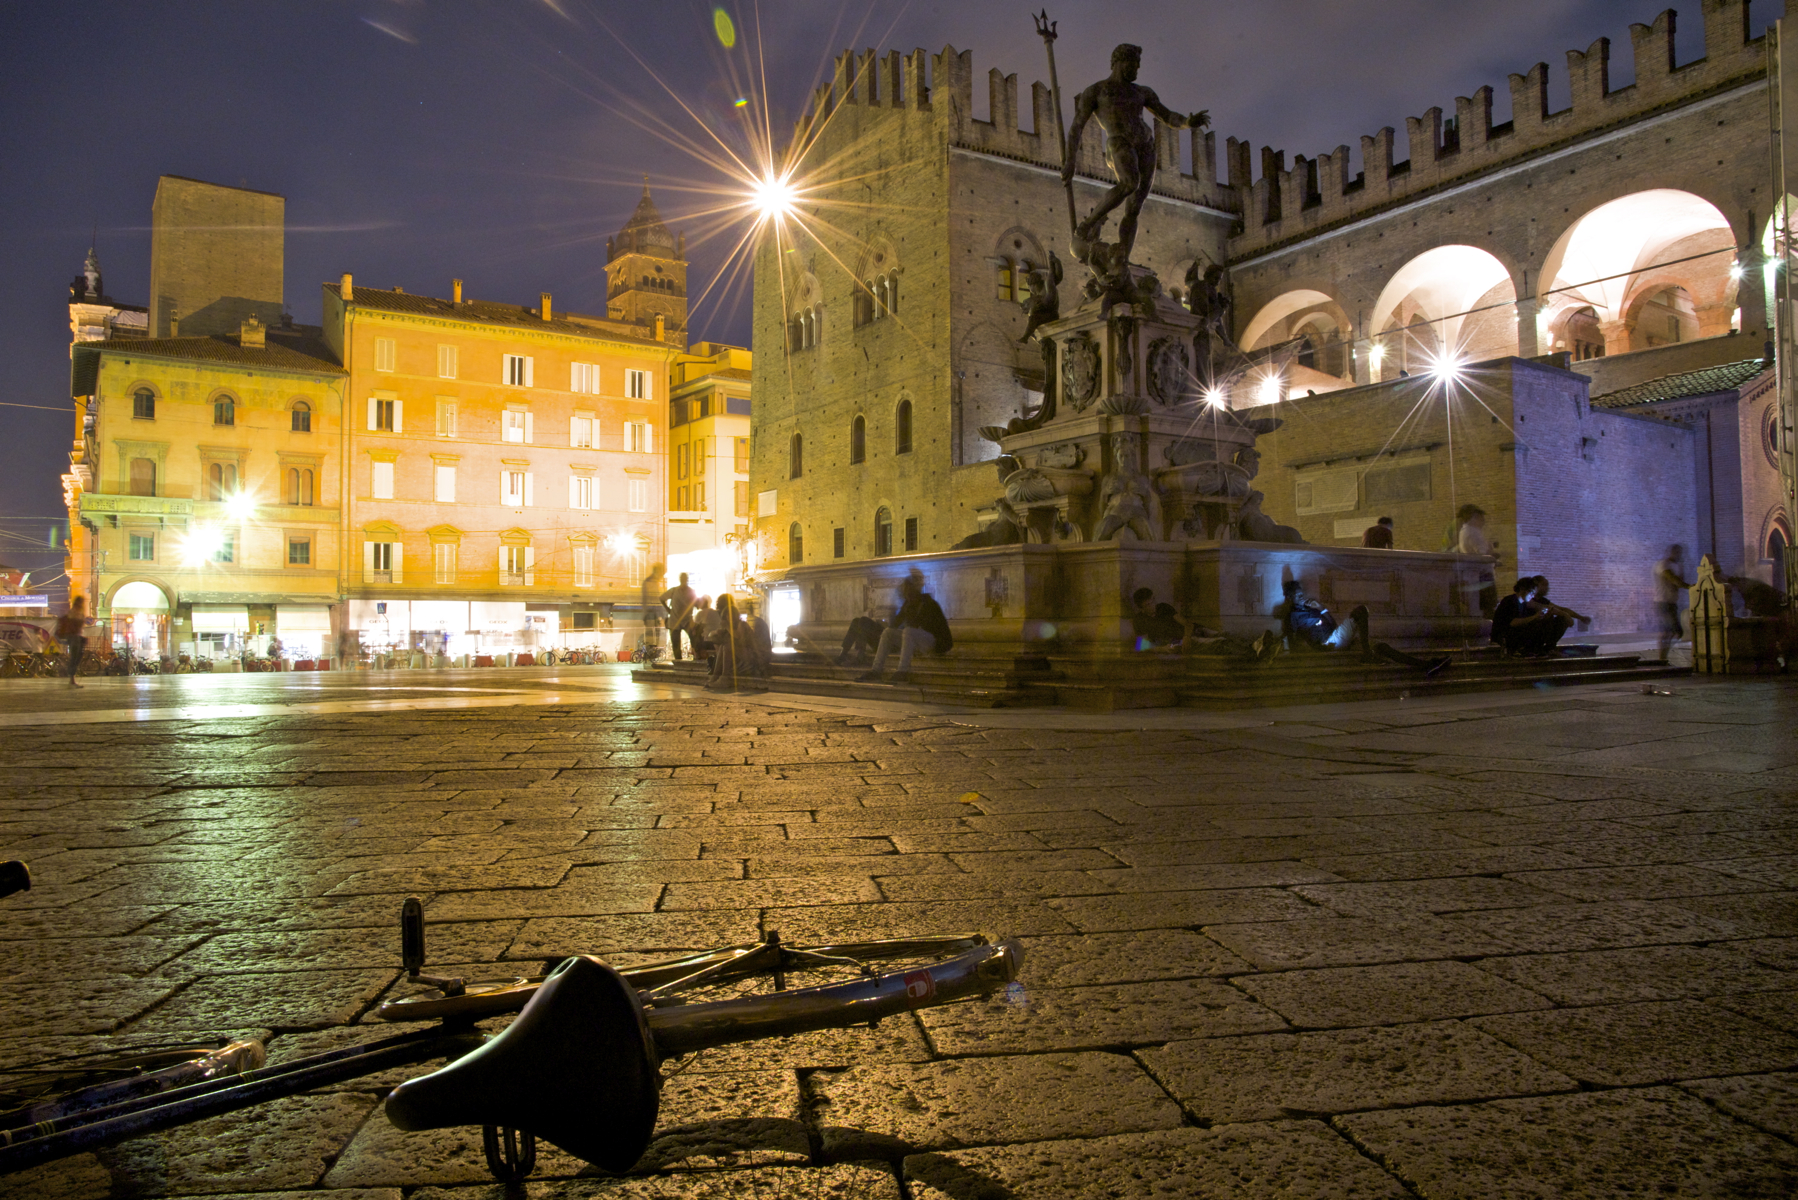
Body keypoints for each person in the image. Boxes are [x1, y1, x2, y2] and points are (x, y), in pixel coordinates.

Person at [858, 570, 953, 684]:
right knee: (888, 632)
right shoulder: (908, 604)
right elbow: (894, 626)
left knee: (908, 631)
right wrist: (893, 612)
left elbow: (921, 627)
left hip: (934, 642)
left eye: (907, 590)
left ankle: (902, 671)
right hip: (917, 640)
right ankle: (876, 670)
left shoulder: (928, 603)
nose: (905, 593)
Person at [1491, 576, 1568, 656]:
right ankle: (1528, 650)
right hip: (1505, 635)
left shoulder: (1523, 603)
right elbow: (1512, 623)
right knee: (1538, 624)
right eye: (1531, 592)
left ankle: (1545, 649)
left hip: (1516, 632)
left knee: (1549, 620)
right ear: (1522, 589)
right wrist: (1535, 617)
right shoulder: (1510, 601)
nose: (1533, 596)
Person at [1456, 506, 1498, 615]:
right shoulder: (1473, 532)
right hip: (1482, 575)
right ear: (1474, 517)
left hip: (1474, 574)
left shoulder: (1464, 531)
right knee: (1488, 608)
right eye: (1481, 518)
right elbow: (1482, 556)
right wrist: (1492, 553)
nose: (1483, 522)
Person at [1654, 545, 1690, 663]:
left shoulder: (1676, 565)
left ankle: (1663, 658)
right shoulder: (1663, 565)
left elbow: (1678, 581)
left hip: (1671, 602)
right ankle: (1662, 658)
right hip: (1662, 602)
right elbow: (1673, 579)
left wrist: (1681, 567)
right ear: (1670, 552)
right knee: (1667, 631)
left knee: (1671, 631)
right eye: (1677, 552)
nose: (1679, 555)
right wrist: (1690, 587)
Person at [659, 571, 699, 661]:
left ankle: (681, 660)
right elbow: (697, 604)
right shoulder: (689, 591)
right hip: (682, 620)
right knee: (691, 640)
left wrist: (668, 610)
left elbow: (661, 598)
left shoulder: (675, 591)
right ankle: (693, 658)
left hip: (677, 620)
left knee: (678, 643)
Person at [55, 596, 88, 687]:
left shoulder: (79, 612)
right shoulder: (73, 612)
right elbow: (74, 625)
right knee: (75, 656)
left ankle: (72, 678)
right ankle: (71, 679)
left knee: (77, 657)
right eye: (82, 602)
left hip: (78, 636)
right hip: (74, 636)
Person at [640, 562, 666, 656]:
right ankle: (651, 652)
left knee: (654, 634)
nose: (662, 575)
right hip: (652, 613)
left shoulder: (653, 582)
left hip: (653, 613)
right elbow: (652, 600)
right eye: (661, 573)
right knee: (651, 634)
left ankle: (653, 652)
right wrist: (660, 616)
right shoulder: (650, 582)